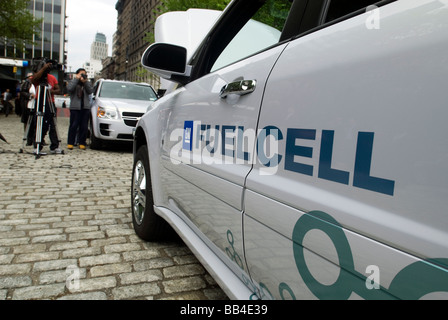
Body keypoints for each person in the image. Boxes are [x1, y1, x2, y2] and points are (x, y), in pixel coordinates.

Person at [31, 60, 63, 154]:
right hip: (40, 101)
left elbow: (58, 90)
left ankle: (54, 146)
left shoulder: (52, 78)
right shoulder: (38, 77)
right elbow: (33, 80)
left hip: (49, 102)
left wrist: (50, 91)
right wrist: (43, 68)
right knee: (40, 124)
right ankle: (37, 145)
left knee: (52, 124)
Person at [66, 68, 93, 150]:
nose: (83, 76)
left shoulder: (86, 83)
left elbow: (90, 91)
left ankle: (82, 142)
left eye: (84, 74)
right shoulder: (73, 82)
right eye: (81, 74)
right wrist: (76, 79)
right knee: (73, 125)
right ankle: (70, 142)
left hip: (85, 107)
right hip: (75, 107)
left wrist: (85, 81)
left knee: (84, 126)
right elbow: (69, 89)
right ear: (77, 74)